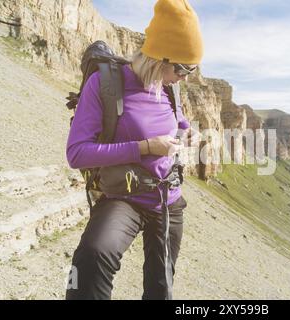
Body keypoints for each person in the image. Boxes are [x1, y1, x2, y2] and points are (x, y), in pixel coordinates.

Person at [65, 0, 203, 300]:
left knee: (161, 288)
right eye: (183, 68)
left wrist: (187, 131)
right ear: (159, 58)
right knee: (92, 255)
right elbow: (77, 153)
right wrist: (144, 147)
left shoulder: (169, 88)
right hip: (123, 197)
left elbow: (178, 120)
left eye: (193, 69)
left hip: (168, 201)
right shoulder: (104, 84)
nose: (187, 77)